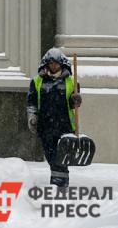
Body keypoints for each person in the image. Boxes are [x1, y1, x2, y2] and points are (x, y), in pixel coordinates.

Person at [26, 47, 82, 187]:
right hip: (45, 126)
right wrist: (32, 117)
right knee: (51, 158)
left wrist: (76, 100)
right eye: (51, 63)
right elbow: (32, 102)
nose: (54, 66)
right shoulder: (37, 81)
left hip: (64, 126)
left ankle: (60, 185)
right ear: (46, 64)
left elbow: (72, 104)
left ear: (61, 64)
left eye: (56, 63)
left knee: (61, 158)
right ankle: (59, 183)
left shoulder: (71, 81)